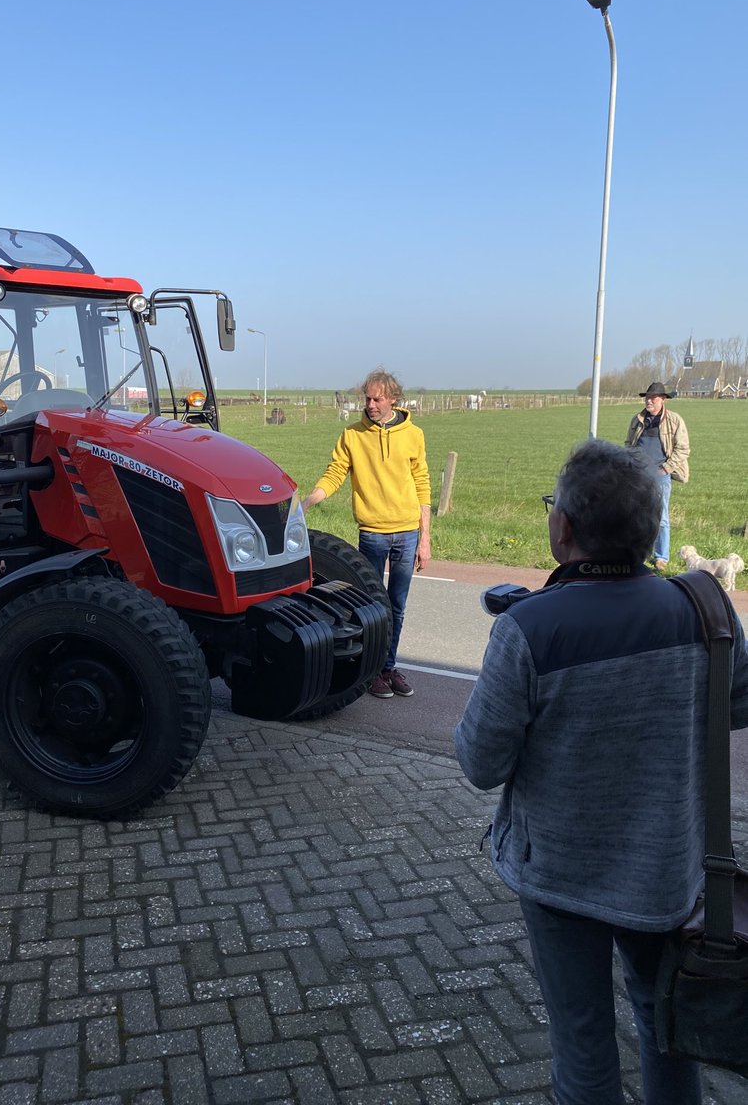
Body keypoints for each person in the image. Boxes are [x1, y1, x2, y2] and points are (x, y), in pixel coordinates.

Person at [454, 439, 748, 1105]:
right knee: (669, 1025)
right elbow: (737, 705)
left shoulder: (528, 629)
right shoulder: (706, 610)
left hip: (560, 877)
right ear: (649, 532)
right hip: (667, 873)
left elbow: (479, 762)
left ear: (563, 529)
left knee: (583, 1040)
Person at [301, 368, 431, 699]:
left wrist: (425, 539)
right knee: (373, 607)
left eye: (377, 398)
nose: (371, 404)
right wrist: (308, 502)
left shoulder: (413, 434)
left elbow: (422, 485)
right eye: (367, 398)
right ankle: (370, 673)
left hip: (407, 533)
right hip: (372, 534)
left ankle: (388, 667)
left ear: (393, 399)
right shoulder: (352, 435)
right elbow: (334, 474)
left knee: (397, 606)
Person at [624, 381, 690, 570]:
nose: (649, 401)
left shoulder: (674, 420)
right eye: (647, 397)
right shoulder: (637, 419)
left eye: (653, 398)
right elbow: (629, 444)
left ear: (663, 399)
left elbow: (683, 449)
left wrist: (666, 469)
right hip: (639, 475)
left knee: (661, 517)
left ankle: (661, 557)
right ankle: (640, 553)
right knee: (638, 515)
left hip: (661, 476)